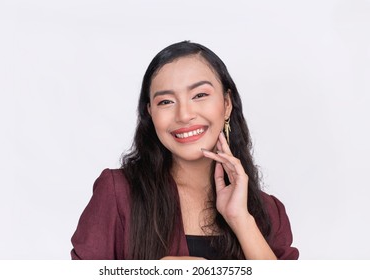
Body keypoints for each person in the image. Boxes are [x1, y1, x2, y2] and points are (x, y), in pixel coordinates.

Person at [70, 41, 299, 260]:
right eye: (166, 102)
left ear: (227, 104)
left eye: (200, 95)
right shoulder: (118, 193)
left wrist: (240, 220)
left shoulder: (269, 211)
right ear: (150, 112)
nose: (184, 115)